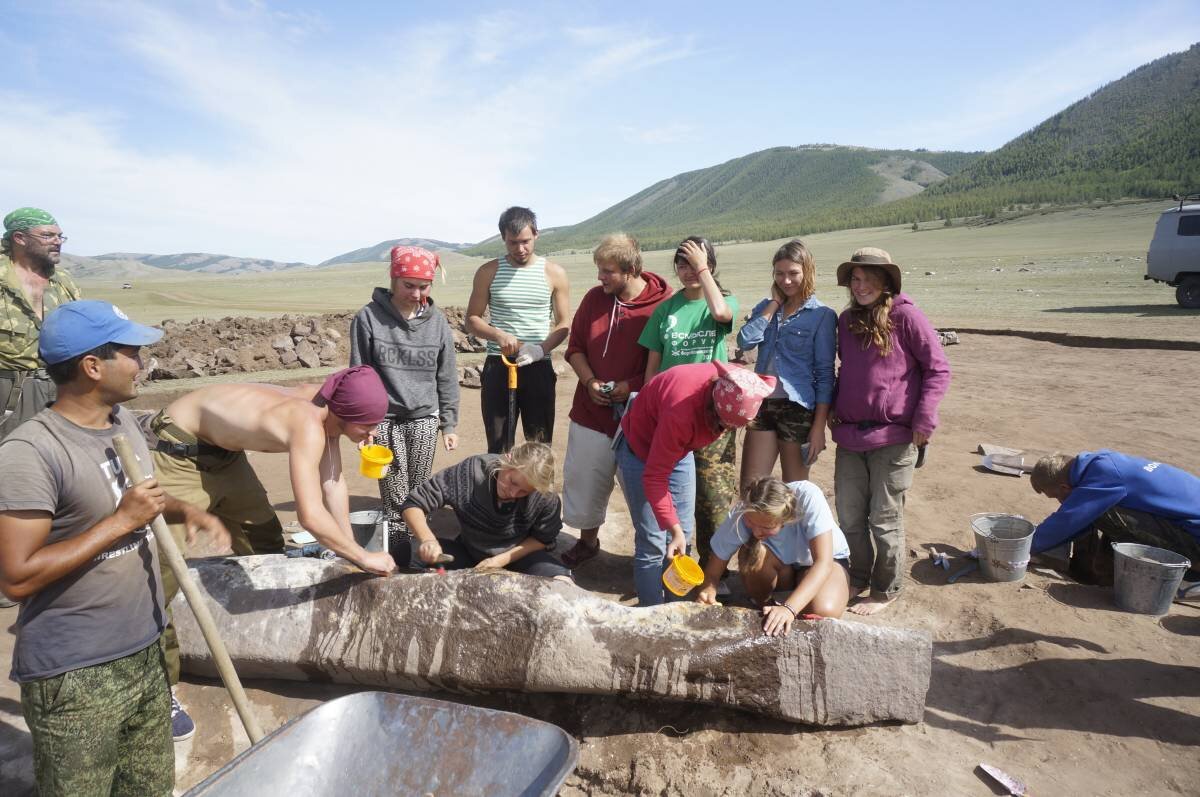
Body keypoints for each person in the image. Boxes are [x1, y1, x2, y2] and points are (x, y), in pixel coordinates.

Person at [0, 300, 228, 795]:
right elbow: (16, 577)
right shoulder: (31, 453)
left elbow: (140, 499)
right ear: (92, 366)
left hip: (145, 650)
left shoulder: (122, 423)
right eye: (131, 353)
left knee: (149, 789)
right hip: (75, 673)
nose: (141, 364)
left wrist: (185, 511)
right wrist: (120, 523)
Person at [148, 365, 397, 737]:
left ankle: (254, 642)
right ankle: (159, 689)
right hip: (180, 449)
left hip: (226, 455)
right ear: (344, 415)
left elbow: (332, 483)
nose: (372, 435)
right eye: (367, 427)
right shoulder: (308, 423)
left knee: (265, 540)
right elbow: (310, 514)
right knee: (160, 572)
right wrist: (363, 557)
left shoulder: (330, 407)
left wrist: (351, 551)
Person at [830, 247, 950, 616]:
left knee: (884, 517)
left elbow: (937, 369)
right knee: (850, 515)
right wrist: (835, 404)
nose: (860, 285)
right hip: (851, 436)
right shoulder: (846, 321)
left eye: (868, 278)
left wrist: (924, 419)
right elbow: (848, 370)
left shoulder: (906, 316)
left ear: (886, 282)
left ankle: (885, 590)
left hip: (894, 436)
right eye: (855, 278)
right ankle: (859, 576)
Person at [616, 360, 774, 606]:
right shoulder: (680, 413)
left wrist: (678, 532)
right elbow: (655, 477)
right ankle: (652, 612)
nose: (723, 432)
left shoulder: (741, 383)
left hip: (680, 451)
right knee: (653, 542)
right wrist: (673, 529)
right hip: (641, 450)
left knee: (683, 536)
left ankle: (675, 607)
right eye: (723, 425)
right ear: (714, 408)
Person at [559, 233, 672, 569]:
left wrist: (630, 386)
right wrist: (589, 382)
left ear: (630, 270)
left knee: (645, 490)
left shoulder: (664, 305)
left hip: (640, 415)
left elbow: (667, 362)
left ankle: (650, 555)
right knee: (585, 480)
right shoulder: (595, 299)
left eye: (607, 271)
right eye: (599, 269)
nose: (600, 277)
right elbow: (575, 348)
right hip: (590, 411)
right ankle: (587, 542)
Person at [350, 245, 459, 548]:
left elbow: (447, 375)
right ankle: (398, 553)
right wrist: (363, 424)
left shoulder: (437, 323)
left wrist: (449, 424)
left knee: (420, 491)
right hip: (383, 420)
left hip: (424, 417)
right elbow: (359, 375)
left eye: (424, 286)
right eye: (408, 285)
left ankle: (419, 548)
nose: (416, 293)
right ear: (393, 279)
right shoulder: (368, 318)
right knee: (394, 493)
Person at [639, 237, 739, 564]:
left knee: (713, 497)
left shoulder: (723, 301)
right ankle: (678, 563)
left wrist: (702, 268)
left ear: (709, 265)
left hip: (713, 417)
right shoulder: (666, 309)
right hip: (673, 418)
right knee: (674, 492)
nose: (689, 271)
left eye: (695, 264)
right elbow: (652, 368)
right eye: (682, 264)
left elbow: (721, 313)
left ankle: (713, 571)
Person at [466, 206, 570, 452]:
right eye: (513, 243)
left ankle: (538, 482)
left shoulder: (555, 273)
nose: (520, 249)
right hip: (498, 365)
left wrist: (540, 349)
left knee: (539, 446)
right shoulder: (488, 272)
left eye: (525, 241)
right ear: (503, 238)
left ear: (536, 234)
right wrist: (498, 334)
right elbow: (472, 319)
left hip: (538, 366)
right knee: (499, 447)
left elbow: (564, 323)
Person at [736, 239, 836, 490]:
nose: (786, 280)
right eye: (779, 274)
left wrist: (818, 427)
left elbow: (825, 374)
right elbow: (745, 341)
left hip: (797, 408)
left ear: (807, 271)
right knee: (751, 489)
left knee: (796, 490)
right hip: (762, 405)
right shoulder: (766, 307)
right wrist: (774, 304)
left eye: (793, 273)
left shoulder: (822, 315)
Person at [697, 476, 851, 634]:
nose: (756, 532)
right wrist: (708, 590)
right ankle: (768, 606)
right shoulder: (745, 508)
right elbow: (714, 570)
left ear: (785, 520)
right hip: (782, 567)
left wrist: (789, 608)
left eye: (766, 527)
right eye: (751, 523)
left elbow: (823, 563)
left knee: (825, 610)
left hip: (821, 563)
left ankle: (786, 606)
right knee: (752, 555)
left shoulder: (808, 496)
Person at [398, 441, 570, 580]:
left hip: (518, 557)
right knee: (404, 552)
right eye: (513, 482)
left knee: (561, 579)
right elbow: (414, 503)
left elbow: (543, 538)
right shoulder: (472, 471)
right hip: (469, 553)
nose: (513, 493)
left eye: (524, 492)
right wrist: (428, 540)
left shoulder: (544, 496)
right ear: (507, 459)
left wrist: (499, 561)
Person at [1029, 451, 1200, 588]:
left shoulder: (1105, 475)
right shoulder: (1103, 462)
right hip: (1186, 526)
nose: (1060, 502)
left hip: (1195, 539)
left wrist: (1023, 545)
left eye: (1056, 496)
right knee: (1094, 510)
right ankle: (1098, 573)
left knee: (1100, 513)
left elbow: (1068, 520)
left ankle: (1189, 579)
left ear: (1064, 487)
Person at [1, 207, 81, 441]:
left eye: (60, 236)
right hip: (9, 392)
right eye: (48, 235)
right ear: (19, 238)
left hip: (63, 387)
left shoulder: (63, 281)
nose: (57, 242)